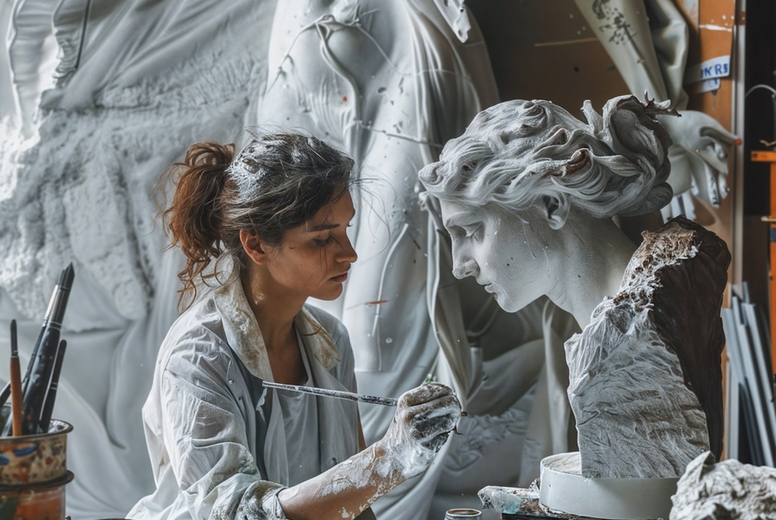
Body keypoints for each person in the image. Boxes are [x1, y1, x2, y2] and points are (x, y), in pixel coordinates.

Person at [128, 133, 461, 520]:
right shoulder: (197, 359)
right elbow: (236, 514)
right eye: (323, 239)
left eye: (345, 228)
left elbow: (350, 503)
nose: (349, 253)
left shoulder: (330, 340)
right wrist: (388, 459)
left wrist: (387, 463)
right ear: (256, 245)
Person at [418, 94, 724, 473]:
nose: (459, 266)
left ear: (551, 205)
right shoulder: (664, 270)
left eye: (471, 230)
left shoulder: (619, 347)